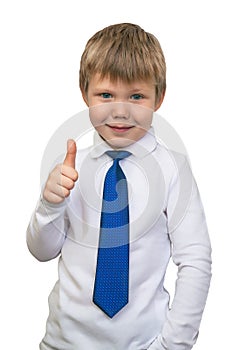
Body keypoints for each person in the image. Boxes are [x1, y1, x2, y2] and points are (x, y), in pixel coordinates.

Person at [27, 23, 212, 350]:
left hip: (142, 343)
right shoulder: (71, 167)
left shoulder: (173, 170)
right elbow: (41, 251)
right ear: (85, 94)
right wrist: (49, 205)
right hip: (62, 342)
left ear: (159, 98)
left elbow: (196, 260)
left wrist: (173, 344)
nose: (120, 111)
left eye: (137, 96)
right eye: (106, 95)